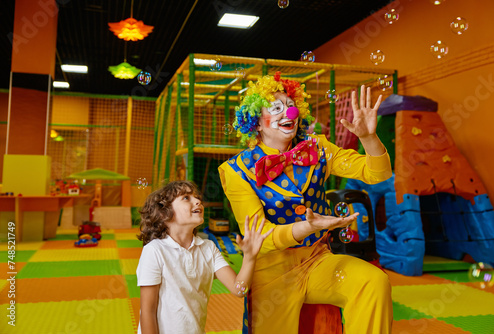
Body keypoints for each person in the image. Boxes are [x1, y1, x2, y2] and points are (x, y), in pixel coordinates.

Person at [218, 72, 393, 333]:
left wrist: (368, 138)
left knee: (373, 281)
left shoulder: (318, 148)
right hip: (271, 273)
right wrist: (308, 228)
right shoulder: (236, 171)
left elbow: (378, 173)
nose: (287, 113)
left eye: (290, 106)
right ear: (256, 123)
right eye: (276, 108)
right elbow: (260, 238)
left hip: (316, 260)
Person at [136, 180, 273, 334]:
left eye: (196, 197)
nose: (197, 201)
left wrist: (249, 257)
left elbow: (239, 289)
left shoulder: (208, 249)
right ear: (164, 213)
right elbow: (147, 311)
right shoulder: (154, 251)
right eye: (186, 198)